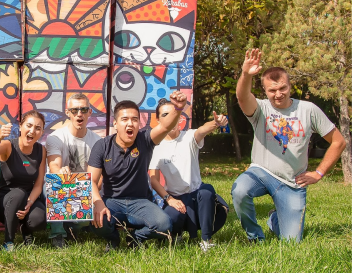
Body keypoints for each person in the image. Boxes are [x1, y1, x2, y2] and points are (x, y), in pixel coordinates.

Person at [232, 49, 346, 242]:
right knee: (239, 191)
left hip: (293, 182)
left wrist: (318, 173)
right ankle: (255, 236)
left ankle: (274, 219)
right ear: (265, 91)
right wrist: (245, 74)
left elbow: (339, 141)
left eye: (282, 88)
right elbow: (242, 97)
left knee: (291, 241)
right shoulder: (261, 109)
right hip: (261, 172)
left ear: (290, 86)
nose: (278, 94)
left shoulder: (308, 110)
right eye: (272, 90)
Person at [87, 92, 188, 251]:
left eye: (134, 119)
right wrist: (98, 203)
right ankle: (113, 239)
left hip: (140, 202)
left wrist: (178, 108)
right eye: (125, 119)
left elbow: (165, 126)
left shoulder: (145, 140)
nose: (130, 124)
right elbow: (91, 180)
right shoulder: (102, 146)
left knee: (164, 224)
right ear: (115, 124)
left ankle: (135, 237)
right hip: (112, 201)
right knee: (96, 219)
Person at [149, 99, 230, 252]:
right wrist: (169, 199)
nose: (171, 118)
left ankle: (206, 240)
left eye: (174, 114)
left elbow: (202, 130)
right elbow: (154, 179)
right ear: (158, 120)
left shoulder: (189, 137)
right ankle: (177, 233)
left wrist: (216, 123)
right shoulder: (155, 146)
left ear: (180, 117)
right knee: (168, 221)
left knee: (206, 193)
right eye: (165, 115)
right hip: (174, 198)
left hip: (197, 196)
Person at [45, 93, 101, 248]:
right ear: (68, 112)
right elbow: (54, 167)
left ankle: (72, 228)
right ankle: (57, 234)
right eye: (74, 110)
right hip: (62, 186)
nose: (79, 114)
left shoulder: (98, 142)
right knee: (55, 182)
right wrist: (60, 172)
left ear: (90, 112)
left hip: (85, 188)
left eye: (84, 109)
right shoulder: (56, 137)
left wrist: (92, 192)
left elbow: (99, 176)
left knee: (83, 219)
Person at [0, 110, 47, 251]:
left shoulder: (41, 150)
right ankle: (8, 242)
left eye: (37, 128)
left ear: (41, 132)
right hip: (5, 202)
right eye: (29, 125)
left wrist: (29, 203)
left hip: (28, 198)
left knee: (39, 219)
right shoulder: (8, 145)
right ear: (20, 126)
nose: (32, 131)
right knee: (18, 194)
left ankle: (26, 231)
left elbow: (39, 184)